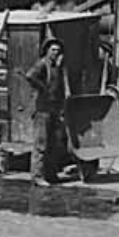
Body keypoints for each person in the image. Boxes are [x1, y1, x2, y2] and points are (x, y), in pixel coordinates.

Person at [25, 38, 70, 186]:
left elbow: (60, 88)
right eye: (53, 50)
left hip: (54, 109)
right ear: (47, 51)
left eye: (58, 50)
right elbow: (30, 75)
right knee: (41, 144)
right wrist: (42, 87)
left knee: (53, 144)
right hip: (42, 110)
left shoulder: (57, 67)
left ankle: (50, 174)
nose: (55, 53)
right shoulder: (42, 64)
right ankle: (37, 176)